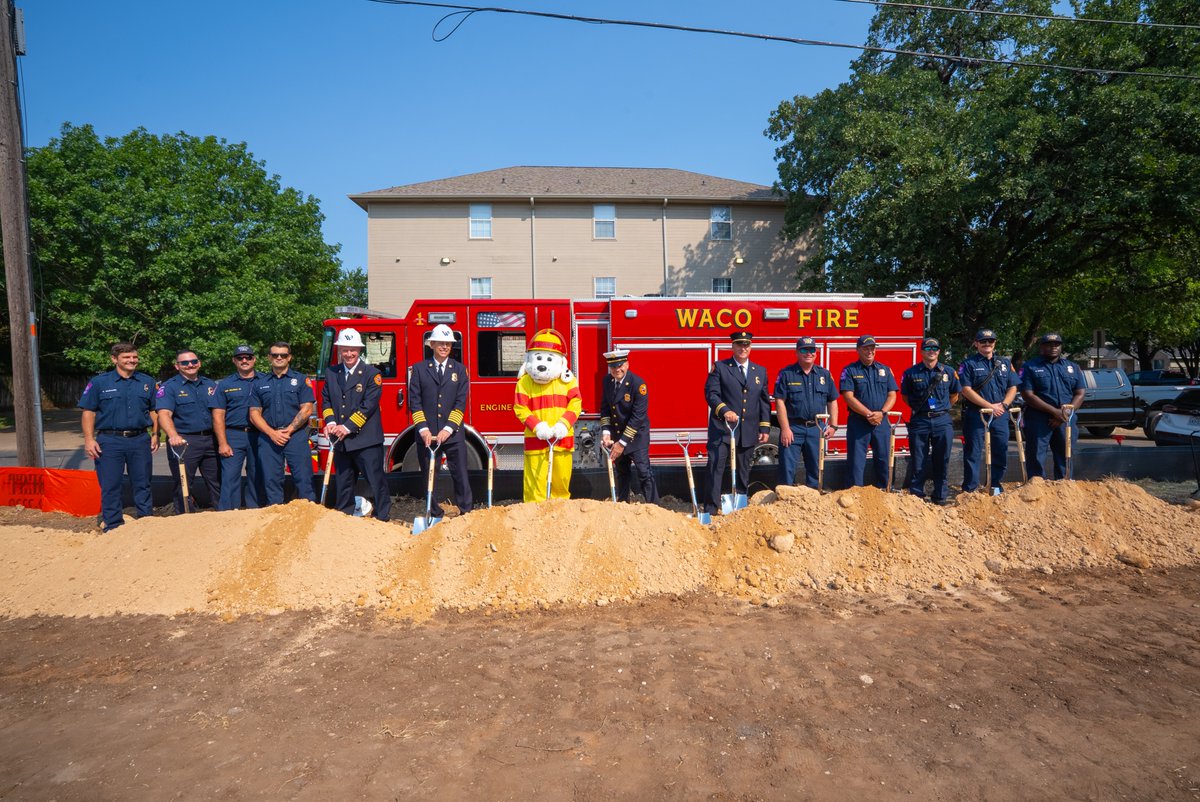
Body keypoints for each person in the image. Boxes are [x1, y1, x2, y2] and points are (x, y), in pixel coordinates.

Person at [78, 342, 159, 531]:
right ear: (114, 359)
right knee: (111, 485)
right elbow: (88, 412)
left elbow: (155, 410)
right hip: (110, 441)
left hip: (140, 440)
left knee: (143, 483)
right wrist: (89, 439)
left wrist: (155, 434)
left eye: (134, 357)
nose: (132, 360)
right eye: (127, 357)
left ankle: (146, 523)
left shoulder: (147, 382)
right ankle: (113, 526)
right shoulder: (99, 383)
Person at [320, 328, 393, 521]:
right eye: (345, 350)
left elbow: (368, 406)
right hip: (341, 441)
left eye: (353, 350)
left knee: (375, 480)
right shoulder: (331, 372)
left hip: (366, 440)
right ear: (339, 350)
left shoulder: (372, 374)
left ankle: (383, 516)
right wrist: (331, 422)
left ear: (360, 350)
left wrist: (347, 427)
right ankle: (344, 517)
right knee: (344, 483)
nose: (349, 354)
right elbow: (326, 400)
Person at [703, 330, 771, 514]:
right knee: (715, 467)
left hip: (747, 430)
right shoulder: (720, 368)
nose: (743, 348)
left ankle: (739, 508)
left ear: (751, 346)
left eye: (746, 345)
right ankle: (710, 508)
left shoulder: (760, 371)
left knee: (743, 470)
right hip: (723, 430)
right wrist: (725, 411)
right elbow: (711, 394)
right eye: (739, 344)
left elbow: (764, 401)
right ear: (732, 346)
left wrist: (764, 426)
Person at [409, 324, 472, 515]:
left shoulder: (460, 370)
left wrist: (448, 429)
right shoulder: (419, 369)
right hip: (426, 434)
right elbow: (415, 401)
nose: (444, 347)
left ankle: (466, 511)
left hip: (452, 434)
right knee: (429, 475)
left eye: (448, 344)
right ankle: (434, 512)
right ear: (432, 344)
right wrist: (424, 429)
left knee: (460, 474)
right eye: (440, 343)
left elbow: (461, 403)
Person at [249, 341, 316, 504]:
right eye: (275, 355)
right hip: (268, 437)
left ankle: (310, 517)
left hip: (296, 436)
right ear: (269, 358)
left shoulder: (301, 380)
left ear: (289, 357)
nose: (279, 358)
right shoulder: (259, 383)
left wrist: (289, 430)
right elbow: (254, 413)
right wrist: (272, 433)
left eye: (283, 355)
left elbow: (307, 409)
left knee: (304, 478)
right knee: (271, 481)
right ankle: (275, 516)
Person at [156, 349, 221, 513]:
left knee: (217, 481)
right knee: (183, 483)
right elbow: (164, 414)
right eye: (184, 363)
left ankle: (223, 515)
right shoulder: (170, 387)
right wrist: (173, 435)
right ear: (177, 366)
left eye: (193, 361)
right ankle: (185, 517)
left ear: (199, 363)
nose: (190, 365)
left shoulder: (210, 385)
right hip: (185, 442)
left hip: (211, 440)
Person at [958, 328, 1019, 495]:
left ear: (994, 343)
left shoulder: (1005, 363)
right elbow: (966, 390)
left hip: (1000, 415)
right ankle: (970, 488)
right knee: (973, 452)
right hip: (977, 415)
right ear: (976, 344)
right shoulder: (968, 364)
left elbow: (1013, 387)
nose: (987, 344)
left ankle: (995, 485)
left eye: (990, 341)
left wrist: (1004, 405)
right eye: (983, 341)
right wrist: (991, 406)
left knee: (1000, 449)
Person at [901, 337, 961, 504]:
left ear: (939, 352)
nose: (932, 351)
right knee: (918, 459)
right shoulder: (911, 373)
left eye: (935, 349)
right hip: (920, 420)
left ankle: (940, 495)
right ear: (921, 352)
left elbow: (955, 395)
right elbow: (905, 396)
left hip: (942, 420)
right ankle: (917, 495)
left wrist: (942, 407)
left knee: (942, 459)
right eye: (928, 349)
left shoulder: (948, 371)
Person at [774, 336, 839, 489]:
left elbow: (832, 400)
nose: (808, 353)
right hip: (793, 428)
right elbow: (779, 402)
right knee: (787, 469)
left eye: (811, 350)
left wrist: (833, 426)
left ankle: (814, 501)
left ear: (816, 353)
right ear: (797, 352)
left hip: (817, 428)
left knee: (816, 468)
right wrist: (785, 429)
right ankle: (785, 503)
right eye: (804, 350)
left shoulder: (824, 375)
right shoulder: (787, 374)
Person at [1019, 332, 1085, 480]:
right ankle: (1036, 488)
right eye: (1049, 344)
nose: (1053, 347)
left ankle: (1064, 485)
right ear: (1042, 347)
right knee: (1036, 454)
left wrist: (1065, 415)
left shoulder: (1072, 367)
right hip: (1038, 419)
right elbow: (1027, 395)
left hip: (1066, 419)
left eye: (1057, 344)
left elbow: (1080, 393)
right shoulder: (1030, 367)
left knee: (1066, 454)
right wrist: (1055, 412)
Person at [599, 349, 659, 503]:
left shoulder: (638, 385)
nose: (617, 370)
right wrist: (606, 432)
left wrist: (622, 443)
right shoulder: (607, 381)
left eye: (620, 365)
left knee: (644, 472)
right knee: (622, 472)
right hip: (618, 434)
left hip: (637, 436)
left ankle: (654, 508)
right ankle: (623, 505)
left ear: (627, 364)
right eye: (613, 367)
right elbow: (605, 409)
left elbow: (637, 417)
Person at [839, 335, 899, 489]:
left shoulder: (885, 370)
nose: (870, 351)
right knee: (856, 461)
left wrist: (882, 412)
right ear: (858, 350)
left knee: (884, 459)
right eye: (866, 348)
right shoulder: (850, 370)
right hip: (859, 423)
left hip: (881, 422)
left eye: (872, 348)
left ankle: (885, 490)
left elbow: (892, 394)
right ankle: (854, 493)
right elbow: (848, 396)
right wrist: (868, 414)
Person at [212, 344, 267, 511]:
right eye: (240, 358)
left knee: (257, 474)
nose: (244, 360)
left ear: (254, 359)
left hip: (260, 435)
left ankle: (255, 511)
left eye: (248, 357)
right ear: (234, 361)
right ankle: (228, 514)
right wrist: (222, 443)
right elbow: (218, 415)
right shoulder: (224, 384)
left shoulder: (266, 381)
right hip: (233, 435)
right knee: (229, 476)